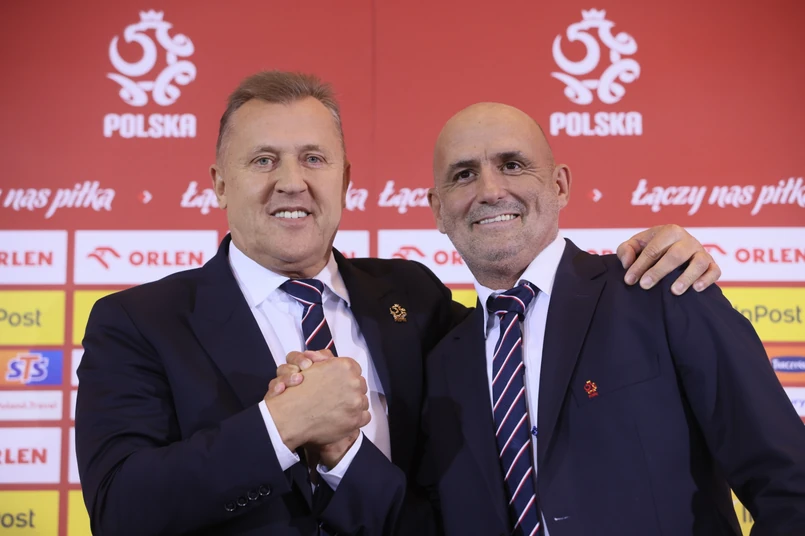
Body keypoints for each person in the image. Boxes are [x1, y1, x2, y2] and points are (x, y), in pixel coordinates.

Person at [75, 71, 721, 536]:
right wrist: (282, 426)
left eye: (313, 158)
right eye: (262, 160)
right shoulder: (138, 322)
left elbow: (542, 338)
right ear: (219, 183)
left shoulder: (414, 299)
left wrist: (659, 257)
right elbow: (120, 507)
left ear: (345, 181)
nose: (291, 182)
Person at [416, 102, 805, 535]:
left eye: (512, 165)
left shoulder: (660, 287)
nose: (490, 190)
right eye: (463, 174)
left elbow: (789, 484)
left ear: (559, 186)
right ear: (438, 209)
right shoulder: (440, 363)